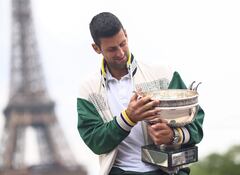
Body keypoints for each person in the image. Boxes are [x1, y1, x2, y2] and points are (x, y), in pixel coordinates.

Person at [77, 12, 204, 175]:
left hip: (168, 171)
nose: (121, 52)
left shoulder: (163, 73)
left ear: (126, 34)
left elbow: (197, 124)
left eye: (122, 43)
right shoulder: (88, 89)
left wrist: (173, 135)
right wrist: (128, 118)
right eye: (112, 49)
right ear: (96, 48)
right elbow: (95, 142)